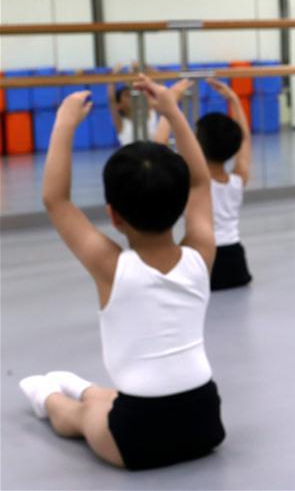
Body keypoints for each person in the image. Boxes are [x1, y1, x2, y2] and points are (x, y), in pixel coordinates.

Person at [18, 75, 225, 470]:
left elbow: (56, 200)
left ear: (113, 216)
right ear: (182, 203)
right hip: (205, 420)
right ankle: (88, 389)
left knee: (79, 417)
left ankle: (49, 397)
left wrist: (64, 123)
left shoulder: (112, 267)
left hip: (136, 436)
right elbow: (201, 183)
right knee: (109, 398)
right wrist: (171, 111)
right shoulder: (201, 254)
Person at [155, 79, 253, 291]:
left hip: (203, 259)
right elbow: (245, 139)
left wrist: (170, 104)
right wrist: (234, 100)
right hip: (236, 262)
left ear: (197, 145)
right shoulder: (238, 180)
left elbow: (158, 148)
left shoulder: (191, 183)